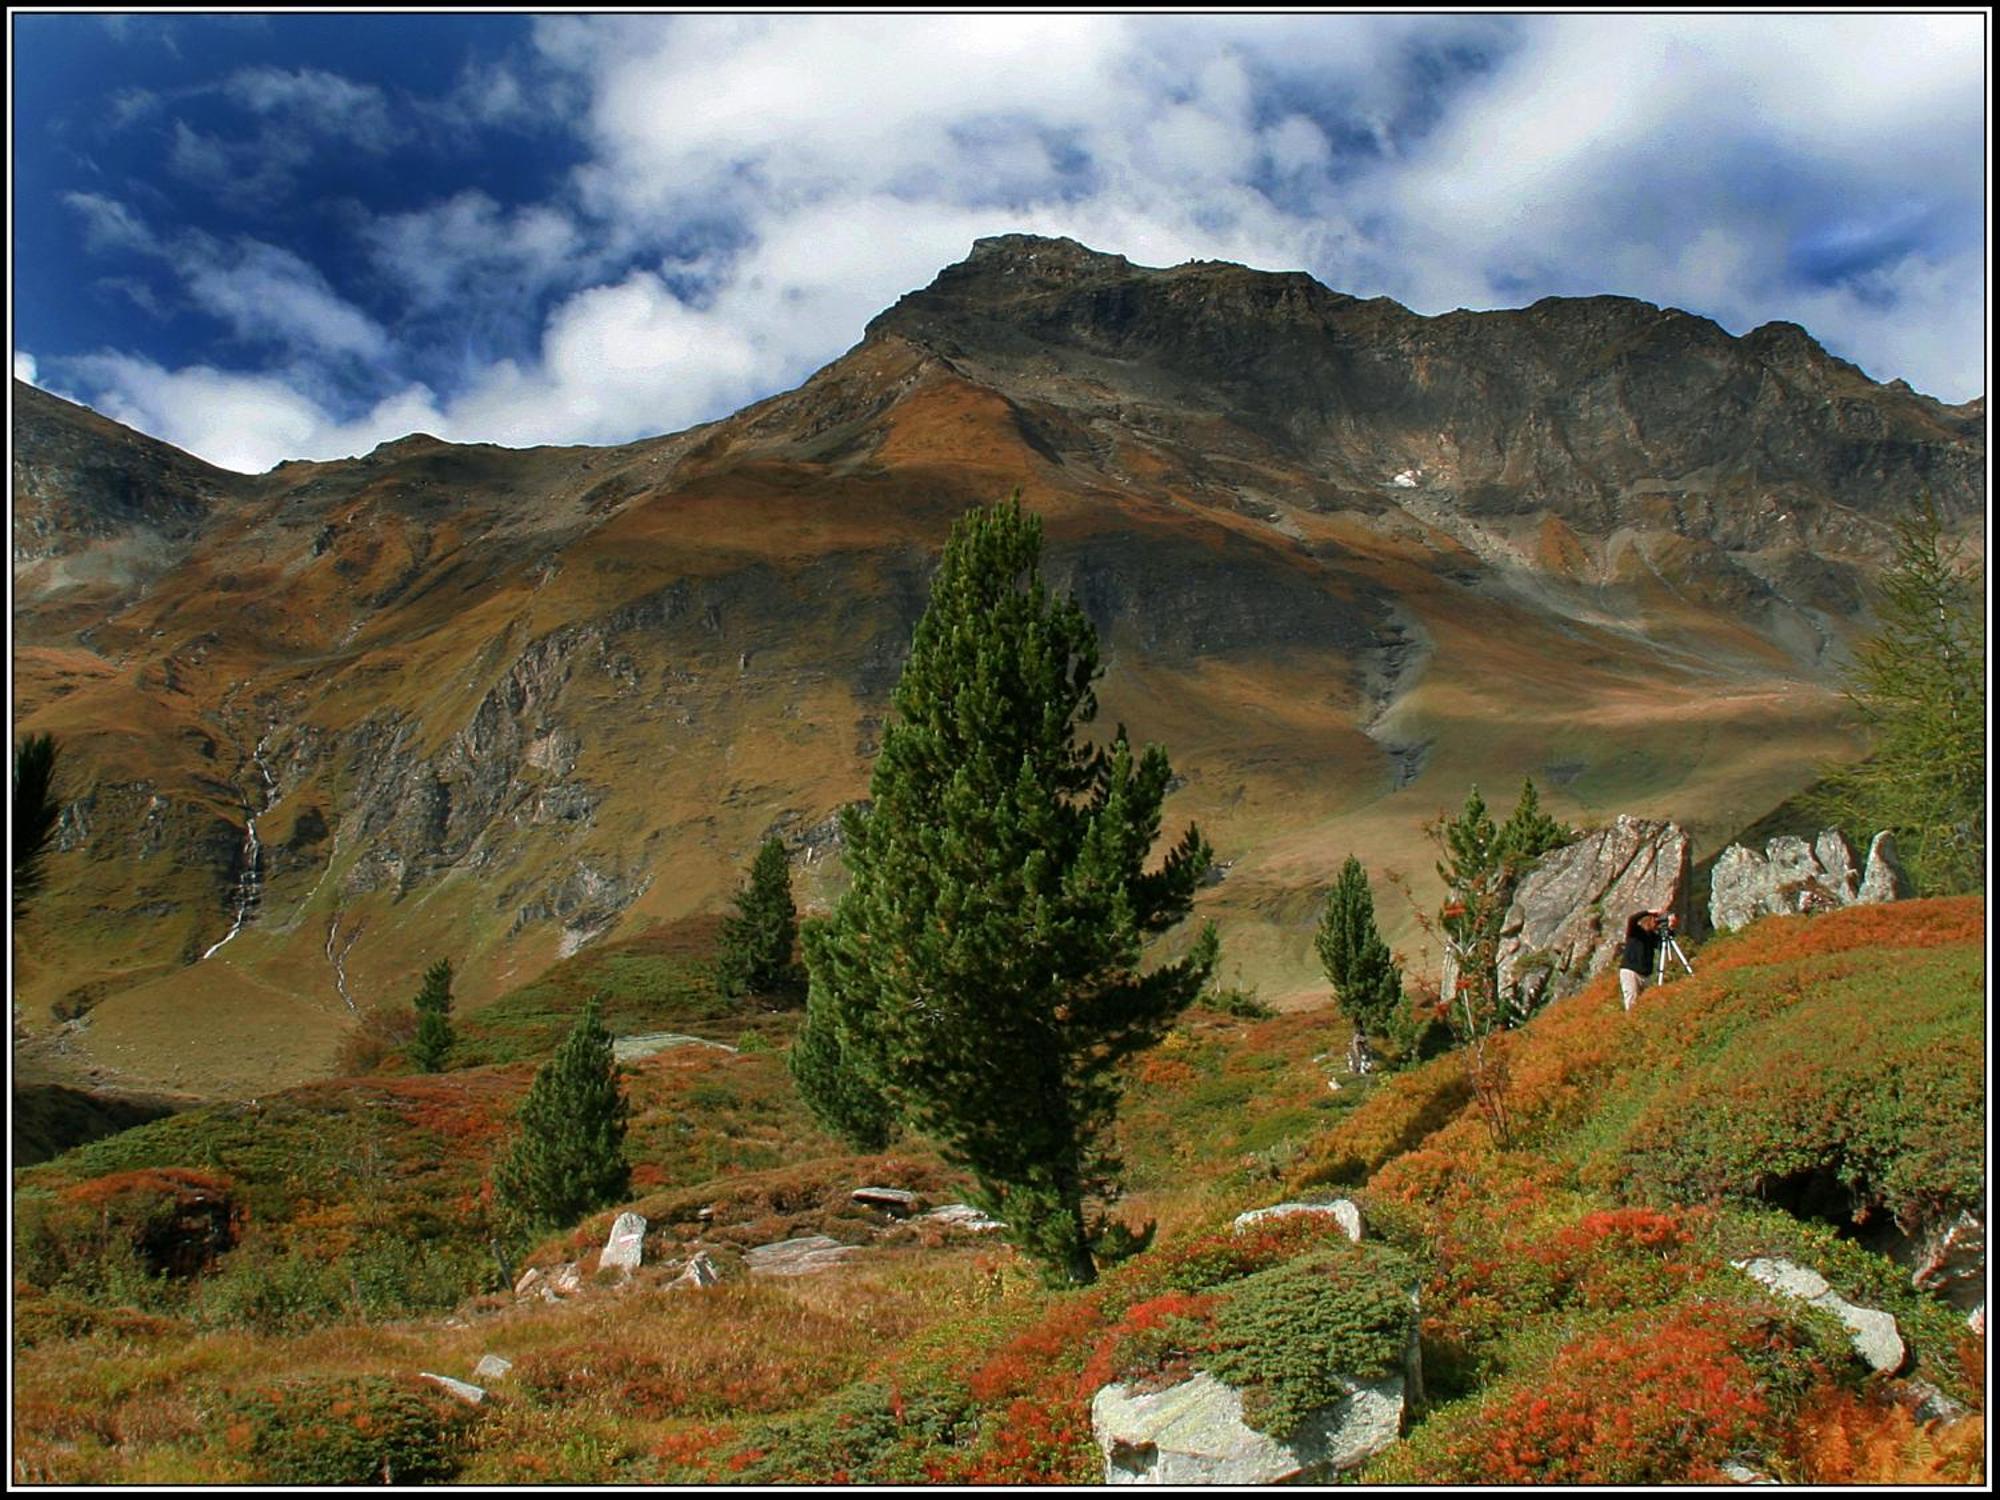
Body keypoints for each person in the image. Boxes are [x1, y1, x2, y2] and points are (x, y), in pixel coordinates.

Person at [1619, 910, 1667, 1011]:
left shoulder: (1652, 937)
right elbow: (1632, 919)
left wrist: (1670, 927)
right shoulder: (1635, 931)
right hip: (1631, 971)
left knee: (1646, 1002)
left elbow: (1663, 944)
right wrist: (1648, 912)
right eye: (1655, 921)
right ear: (1649, 921)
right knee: (1632, 1001)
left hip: (1645, 975)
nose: (1657, 925)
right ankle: (1631, 1023)